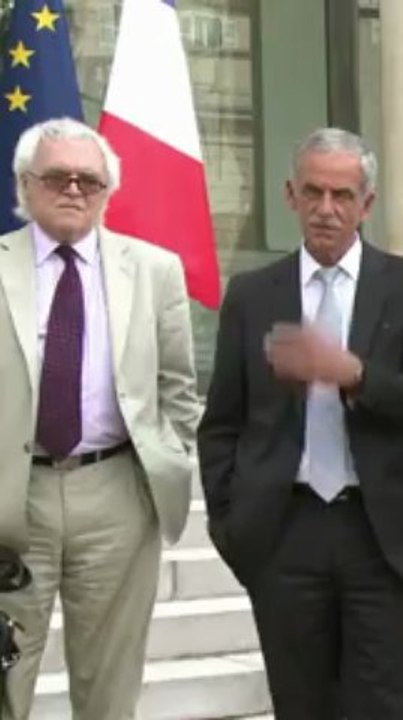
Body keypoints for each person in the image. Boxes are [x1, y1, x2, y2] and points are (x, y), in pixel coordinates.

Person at [197, 128, 403, 719]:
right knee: (301, 705)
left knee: (387, 705)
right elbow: (221, 423)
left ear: (367, 203)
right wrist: (230, 525)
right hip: (286, 529)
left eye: (342, 196)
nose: (326, 210)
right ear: (290, 195)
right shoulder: (253, 294)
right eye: (312, 193)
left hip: (380, 532)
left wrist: (353, 373)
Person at [0, 118, 200, 719]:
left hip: (114, 493)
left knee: (110, 685)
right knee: (6, 675)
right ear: (26, 185)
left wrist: (162, 461)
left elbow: (178, 389)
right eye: (57, 177)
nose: (73, 190)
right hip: (13, 495)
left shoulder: (154, 270)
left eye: (89, 179)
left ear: (108, 190)